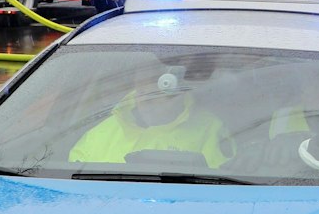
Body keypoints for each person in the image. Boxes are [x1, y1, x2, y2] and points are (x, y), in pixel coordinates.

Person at [70, 69, 232, 168]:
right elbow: (72, 186)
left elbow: (223, 190)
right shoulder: (100, 134)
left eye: (157, 82)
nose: (146, 92)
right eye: (141, 83)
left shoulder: (212, 132)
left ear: (177, 88)